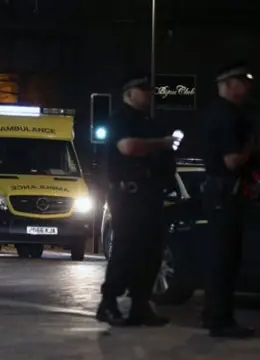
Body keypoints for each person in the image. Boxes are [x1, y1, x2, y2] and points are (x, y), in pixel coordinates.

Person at [96, 73, 176, 327]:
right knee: (127, 249)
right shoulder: (121, 119)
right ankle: (108, 303)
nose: (149, 94)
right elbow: (128, 148)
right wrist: (161, 144)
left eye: (150, 90)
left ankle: (140, 305)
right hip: (128, 194)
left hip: (150, 194)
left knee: (151, 252)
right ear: (129, 94)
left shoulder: (149, 121)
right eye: (142, 89)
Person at [200, 62, 257, 338]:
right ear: (229, 84)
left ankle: (215, 316)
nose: (246, 87)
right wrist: (251, 146)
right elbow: (232, 161)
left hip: (222, 192)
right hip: (225, 192)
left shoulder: (225, 113)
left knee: (222, 258)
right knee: (225, 258)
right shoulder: (225, 116)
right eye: (243, 81)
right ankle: (220, 320)